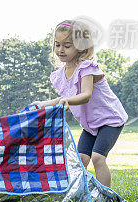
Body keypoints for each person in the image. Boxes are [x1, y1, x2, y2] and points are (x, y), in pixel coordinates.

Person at [31, 19, 127, 187]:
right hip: (90, 125)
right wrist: (43, 104)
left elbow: (86, 95)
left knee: (98, 158)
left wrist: (65, 101)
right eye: (57, 44)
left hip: (109, 120)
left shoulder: (86, 67)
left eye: (67, 46)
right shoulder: (60, 75)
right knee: (81, 160)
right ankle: (80, 194)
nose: (61, 50)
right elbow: (63, 98)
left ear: (80, 46)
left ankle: (107, 198)